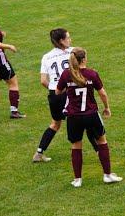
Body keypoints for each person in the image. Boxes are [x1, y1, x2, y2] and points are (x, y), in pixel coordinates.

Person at [56, 48, 122, 187]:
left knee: (76, 145)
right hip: (91, 114)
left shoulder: (66, 75)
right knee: (102, 142)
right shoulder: (92, 74)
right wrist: (107, 108)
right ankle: (107, 175)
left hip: (74, 117)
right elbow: (103, 94)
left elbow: (57, 91)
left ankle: (77, 180)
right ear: (84, 59)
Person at [33, 29, 98, 162]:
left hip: (54, 94)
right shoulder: (73, 52)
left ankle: (39, 153)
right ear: (61, 41)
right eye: (68, 37)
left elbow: (43, 81)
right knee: (85, 120)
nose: (70, 40)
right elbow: (83, 69)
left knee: (55, 124)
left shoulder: (46, 56)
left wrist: (57, 89)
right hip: (71, 93)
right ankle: (99, 151)